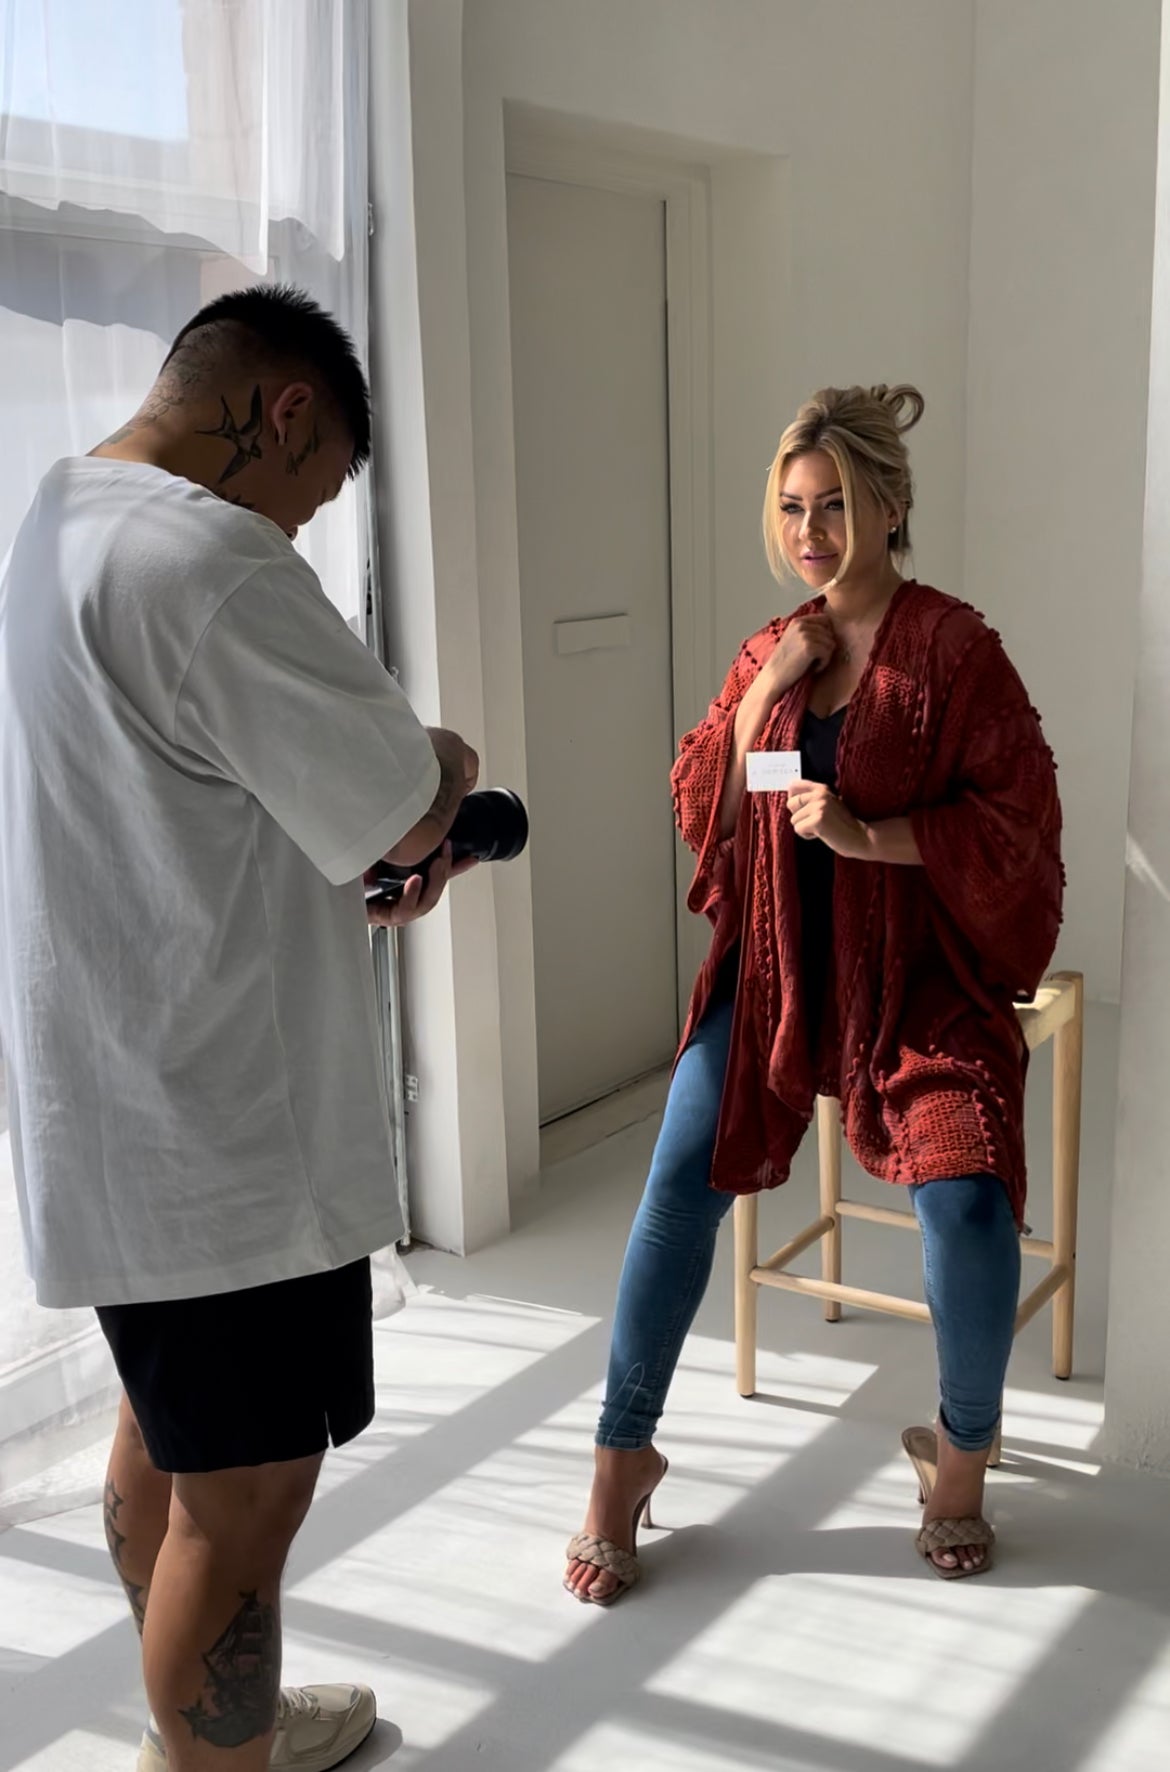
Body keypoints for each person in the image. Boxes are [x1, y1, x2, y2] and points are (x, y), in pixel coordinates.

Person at [0, 285, 480, 1770]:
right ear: (281, 413)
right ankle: (211, 1755)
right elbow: (404, 795)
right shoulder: (208, 559)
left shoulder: (56, 521)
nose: (297, 534)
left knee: (176, 1433)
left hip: (116, 1093)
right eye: (311, 497)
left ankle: (222, 1727)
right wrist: (446, 767)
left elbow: (196, 797)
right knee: (251, 1492)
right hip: (230, 1124)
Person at [564, 383, 1062, 1602]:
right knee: (680, 1174)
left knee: (968, 1204)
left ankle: (959, 1457)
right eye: (794, 507)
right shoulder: (777, 651)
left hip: (923, 984)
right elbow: (701, 799)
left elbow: (1019, 819)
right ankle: (620, 1461)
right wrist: (757, 692)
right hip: (783, 973)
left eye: (837, 504)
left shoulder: (955, 649)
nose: (814, 530)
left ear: (890, 505)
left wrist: (868, 832)